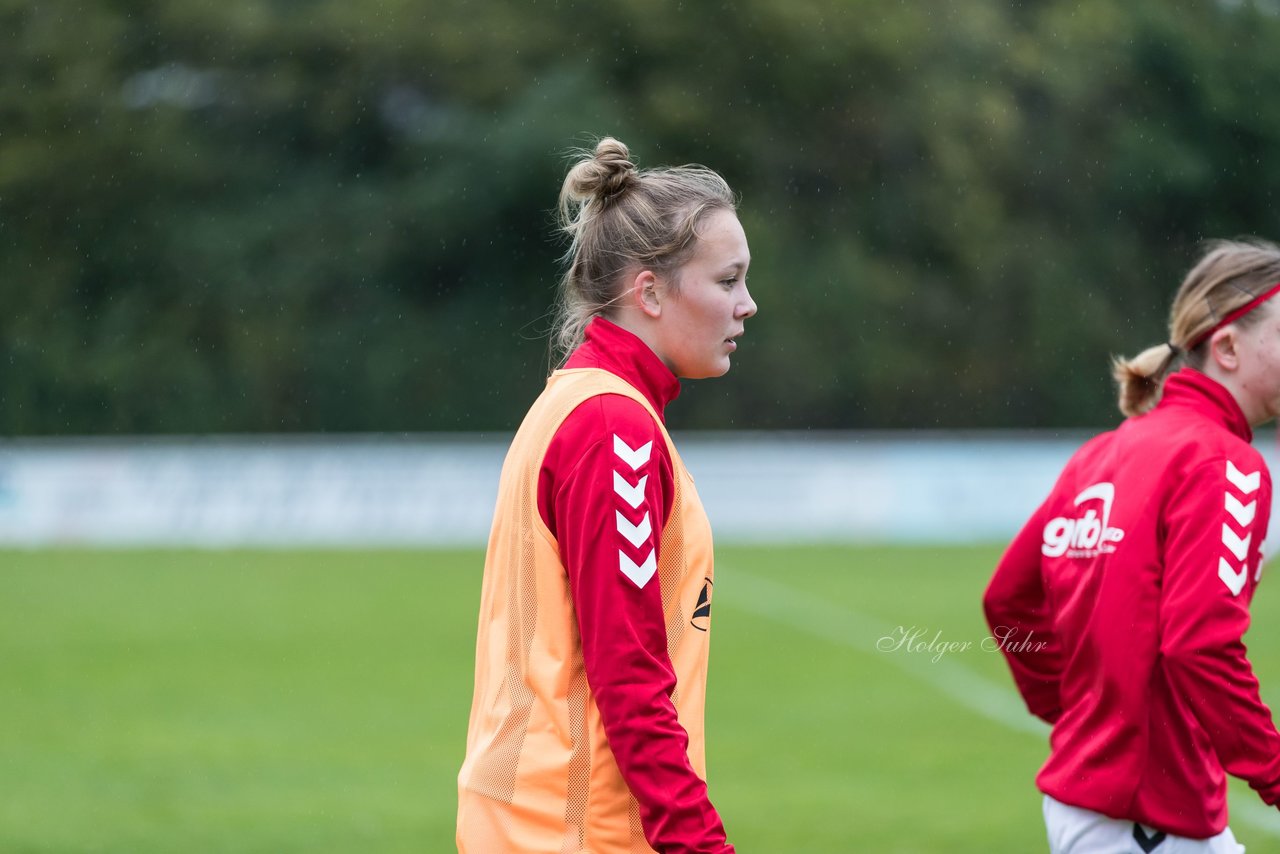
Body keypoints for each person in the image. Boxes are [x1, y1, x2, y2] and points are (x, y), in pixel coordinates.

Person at [456, 137, 755, 854]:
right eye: (728, 281)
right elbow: (629, 674)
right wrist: (698, 843)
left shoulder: (577, 403)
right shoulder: (611, 426)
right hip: (576, 829)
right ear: (649, 291)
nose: (747, 305)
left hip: (533, 819)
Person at [984, 239, 1280, 853]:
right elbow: (1200, 642)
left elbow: (1008, 600)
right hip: (1147, 817)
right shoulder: (1226, 462)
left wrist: (1081, 716)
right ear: (1227, 347)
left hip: (1101, 805)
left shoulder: (1104, 451)